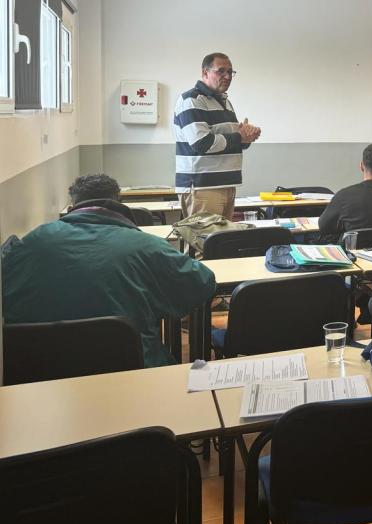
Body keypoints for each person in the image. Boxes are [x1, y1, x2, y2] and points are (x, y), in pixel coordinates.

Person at [2, 174, 216, 368]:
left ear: (73, 206)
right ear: (119, 203)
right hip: (131, 371)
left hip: (35, 373)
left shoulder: (31, 242)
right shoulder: (146, 245)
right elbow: (203, 282)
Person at [174, 52, 261, 219]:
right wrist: (239, 136)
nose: (227, 76)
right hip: (203, 187)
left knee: (224, 236)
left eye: (230, 72)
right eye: (221, 71)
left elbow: (230, 141)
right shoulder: (192, 100)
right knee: (205, 236)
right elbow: (201, 143)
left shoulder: (225, 102)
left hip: (227, 184)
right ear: (205, 72)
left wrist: (247, 138)